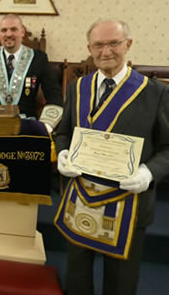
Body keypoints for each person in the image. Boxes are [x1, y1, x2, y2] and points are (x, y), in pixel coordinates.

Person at [54, 19, 169, 295]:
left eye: (114, 43)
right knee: (77, 280)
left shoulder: (155, 92)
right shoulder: (77, 87)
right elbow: (63, 133)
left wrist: (149, 173)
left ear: (128, 44)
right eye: (99, 45)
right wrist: (63, 153)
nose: (106, 51)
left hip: (128, 203)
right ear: (89, 48)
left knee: (120, 285)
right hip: (81, 200)